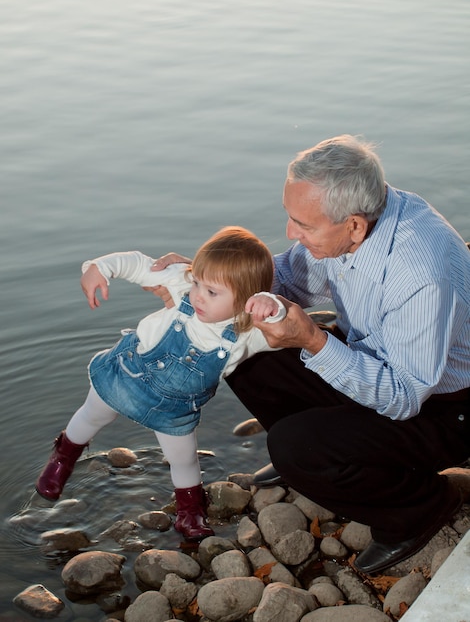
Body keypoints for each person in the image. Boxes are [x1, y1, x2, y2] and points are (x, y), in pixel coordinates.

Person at [152, 135, 470, 573]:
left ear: (354, 225)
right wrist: (206, 282)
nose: (290, 234)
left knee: (294, 446)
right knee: (240, 342)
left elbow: (402, 397)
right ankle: (326, 453)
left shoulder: (419, 273)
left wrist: (313, 341)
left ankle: (419, 509)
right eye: (290, 217)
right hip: (374, 357)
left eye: (303, 225)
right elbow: (289, 277)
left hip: (443, 407)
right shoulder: (361, 219)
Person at [35, 226, 286, 541]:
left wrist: (272, 307)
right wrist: (99, 267)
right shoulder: (181, 285)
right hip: (128, 375)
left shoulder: (251, 334)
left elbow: (287, 328)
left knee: (184, 458)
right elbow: (139, 264)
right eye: (197, 282)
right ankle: (63, 459)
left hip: (174, 409)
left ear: (248, 300)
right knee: (92, 415)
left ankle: (190, 510)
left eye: (212, 292)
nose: (197, 295)